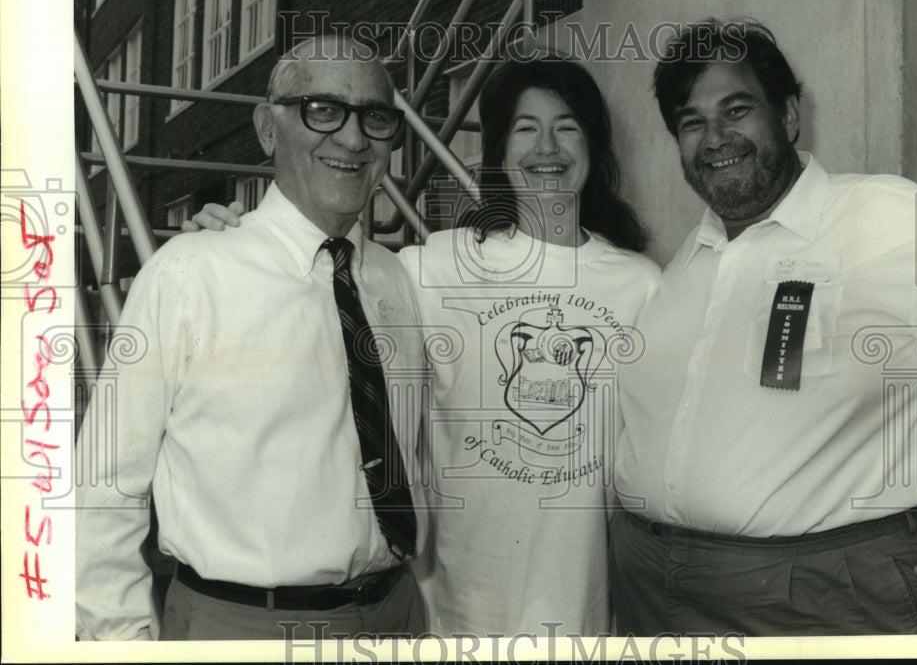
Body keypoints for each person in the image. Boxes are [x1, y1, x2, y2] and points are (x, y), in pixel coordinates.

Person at [189, 56, 662, 636]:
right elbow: (317, 278)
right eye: (525, 128)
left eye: (567, 126)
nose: (547, 148)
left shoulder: (642, 284)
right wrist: (236, 238)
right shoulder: (428, 268)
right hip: (447, 608)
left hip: (580, 604)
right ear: (498, 151)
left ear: (594, 145)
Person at [610, 18, 917, 636]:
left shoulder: (897, 222)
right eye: (692, 121)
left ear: (787, 115)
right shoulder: (683, 265)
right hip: (652, 593)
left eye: (737, 109)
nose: (716, 137)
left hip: (823, 602)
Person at [75, 35, 428, 640]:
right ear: (268, 128)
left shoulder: (394, 279)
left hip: (396, 616)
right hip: (242, 627)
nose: (352, 139)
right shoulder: (189, 274)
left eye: (375, 118)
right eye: (322, 110)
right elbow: (101, 491)